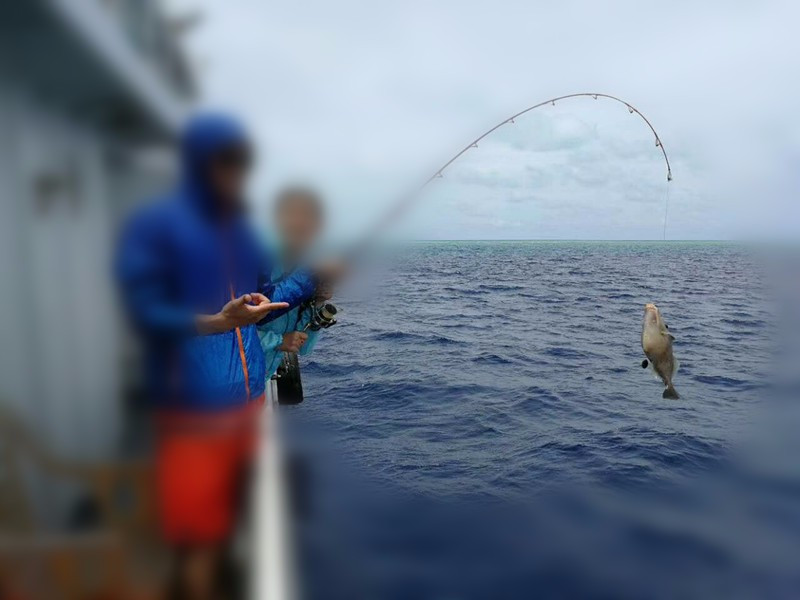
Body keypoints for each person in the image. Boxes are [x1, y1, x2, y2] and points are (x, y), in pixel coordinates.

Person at [115, 113, 318, 600]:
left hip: (247, 406)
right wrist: (218, 322)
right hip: (193, 412)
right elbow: (147, 316)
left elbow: (262, 305)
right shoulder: (156, 230)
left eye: (238, 166)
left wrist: (307, 279)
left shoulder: (245, 238)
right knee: (196, 538)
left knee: (229, 519)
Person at [258, 186, 333, 380]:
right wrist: (277, 341)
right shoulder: (254, 262)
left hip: (257, 382)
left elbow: (304, 347)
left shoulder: (305, 271)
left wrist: (318, 302)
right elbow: (223, 332)